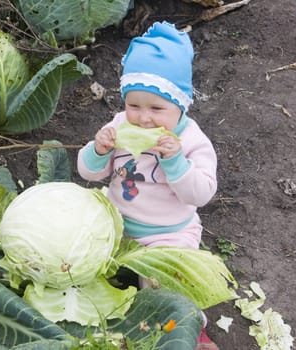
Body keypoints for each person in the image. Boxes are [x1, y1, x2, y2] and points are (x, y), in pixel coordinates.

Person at [77, 21, 219, 350]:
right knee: (75, 265)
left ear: (180, 105)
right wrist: (99, 150)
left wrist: (175, 162)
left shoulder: (192, 141)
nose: (143, 119)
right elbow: (89, 172)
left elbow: (201, 193)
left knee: (166, 288)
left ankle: (188, 330)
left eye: (157, 109)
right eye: (134, 105)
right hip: (116, 226)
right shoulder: (117, 125)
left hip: (167, 234)